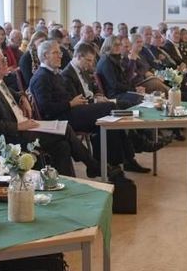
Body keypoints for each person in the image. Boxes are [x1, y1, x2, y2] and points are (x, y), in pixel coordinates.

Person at [0, 48, 100, 177]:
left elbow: (16, 94)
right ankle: (93, 166)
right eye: (0, 61)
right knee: (65, 129)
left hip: (24, 129)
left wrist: (22, 97)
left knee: (62, 146)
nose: (5, 63)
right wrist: (18, 126)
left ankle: (65, 184)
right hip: (11, 138)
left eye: (4, 59)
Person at [30, 41, 148, 173]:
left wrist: (78, 101)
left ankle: (113, 163)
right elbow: (46, 110)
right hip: (61, 117)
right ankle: (136, 142)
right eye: (56, 53)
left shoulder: (53, 74)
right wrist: (70, 103)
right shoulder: (41, 77)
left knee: (109, 121)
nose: (60, 56)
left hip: (71, 111)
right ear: (45, 55)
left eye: (60, 52)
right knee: (109, 107)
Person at [96, 37, 145, 107]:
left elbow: (125, 79)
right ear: (108, 46)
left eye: (119, 45)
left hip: (120, 91)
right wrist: (133, 89)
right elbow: (114, 84)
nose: (118, 47)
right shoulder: (106, 61)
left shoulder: (115, 58)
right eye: (115, 45)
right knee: (139, 98)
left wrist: (134, 89)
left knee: (142, 97)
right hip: (113, 95)